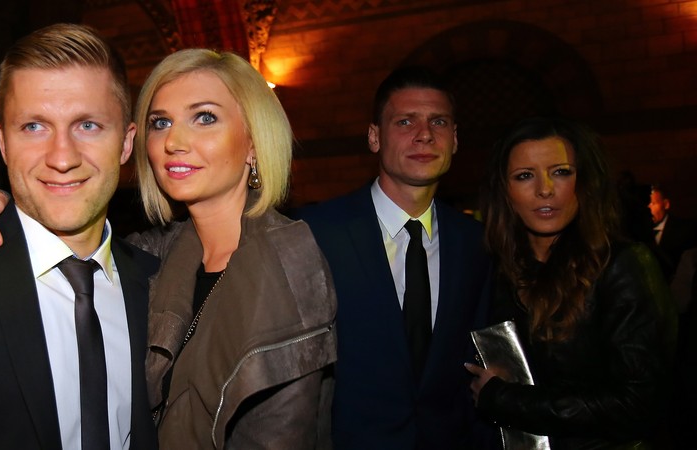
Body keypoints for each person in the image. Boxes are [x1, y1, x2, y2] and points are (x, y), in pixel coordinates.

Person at [0, 48, 337, 449]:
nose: (174, 141)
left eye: (204, 117)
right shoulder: (156, 255)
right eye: (161, 122)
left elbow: (280, 432)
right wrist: (2, 203)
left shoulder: (288, 261)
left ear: (253, 142)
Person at [0, 24, 159, 449]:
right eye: (35, 127)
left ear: (126, 143)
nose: (62, 157)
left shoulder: (159, 285)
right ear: (3, 144)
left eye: (88, 125)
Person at [293, 66, 496, 449]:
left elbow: (477, 360)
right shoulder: (315, 232)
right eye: (405, 121)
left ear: (454, 139)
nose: (424, 134)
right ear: (374, 137)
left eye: (438, 122)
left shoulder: (476, 243)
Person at [466, 117, 677, 449]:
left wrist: (504, 399)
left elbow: (639, 404)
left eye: (561, 172)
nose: (545, 189)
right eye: (524, 175)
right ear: (504, 191)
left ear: (585, 181)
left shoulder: (622, 266)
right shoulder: (497, 273)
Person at [648, 184, 697, 281]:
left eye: (653, 203)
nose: (649, 207)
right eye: (648, 204)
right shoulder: (639, 231)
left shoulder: (683, 231)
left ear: (666, 204)